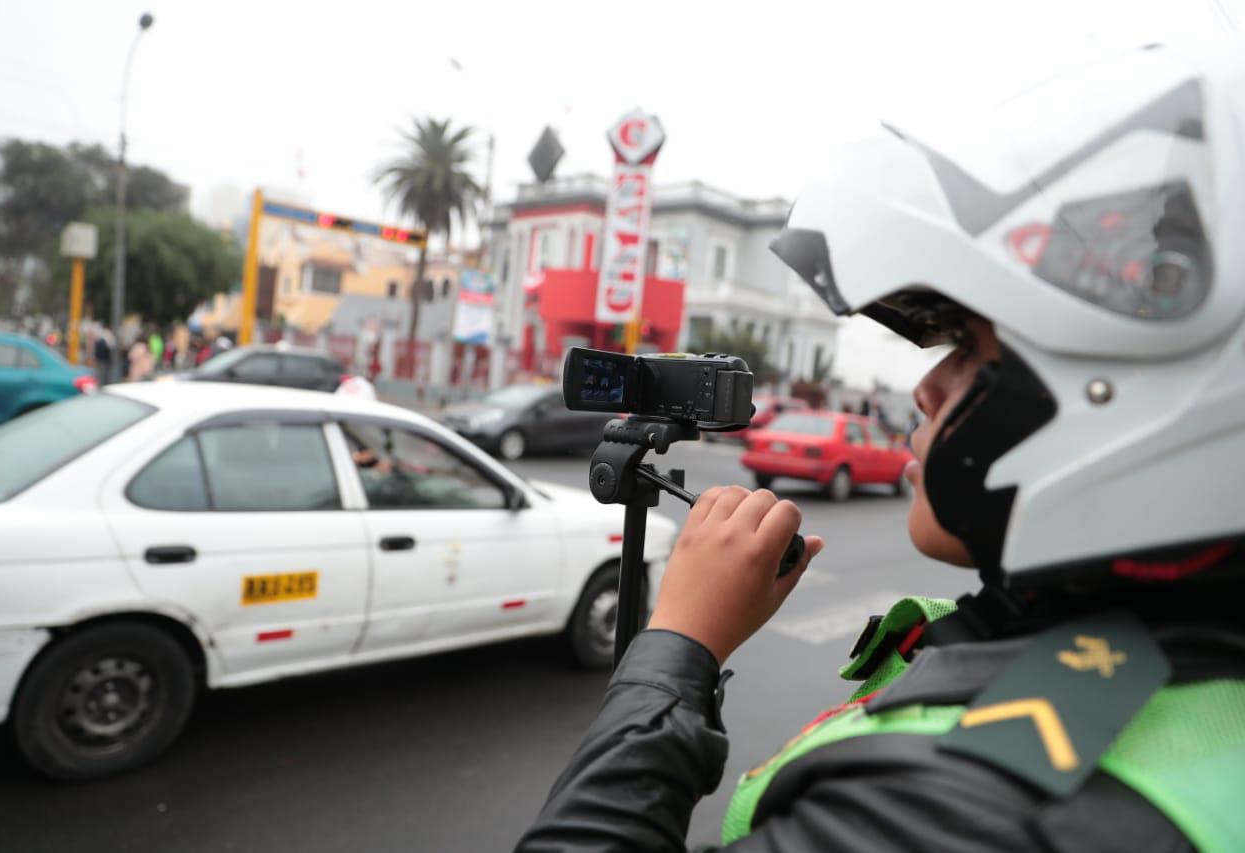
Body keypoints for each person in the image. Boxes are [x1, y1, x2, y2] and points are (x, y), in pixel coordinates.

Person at [518, 41, 1245, 852]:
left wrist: (679, 641)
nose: (927, 388)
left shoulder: (967, 813)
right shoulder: (1174, 661)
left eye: (969, 346)